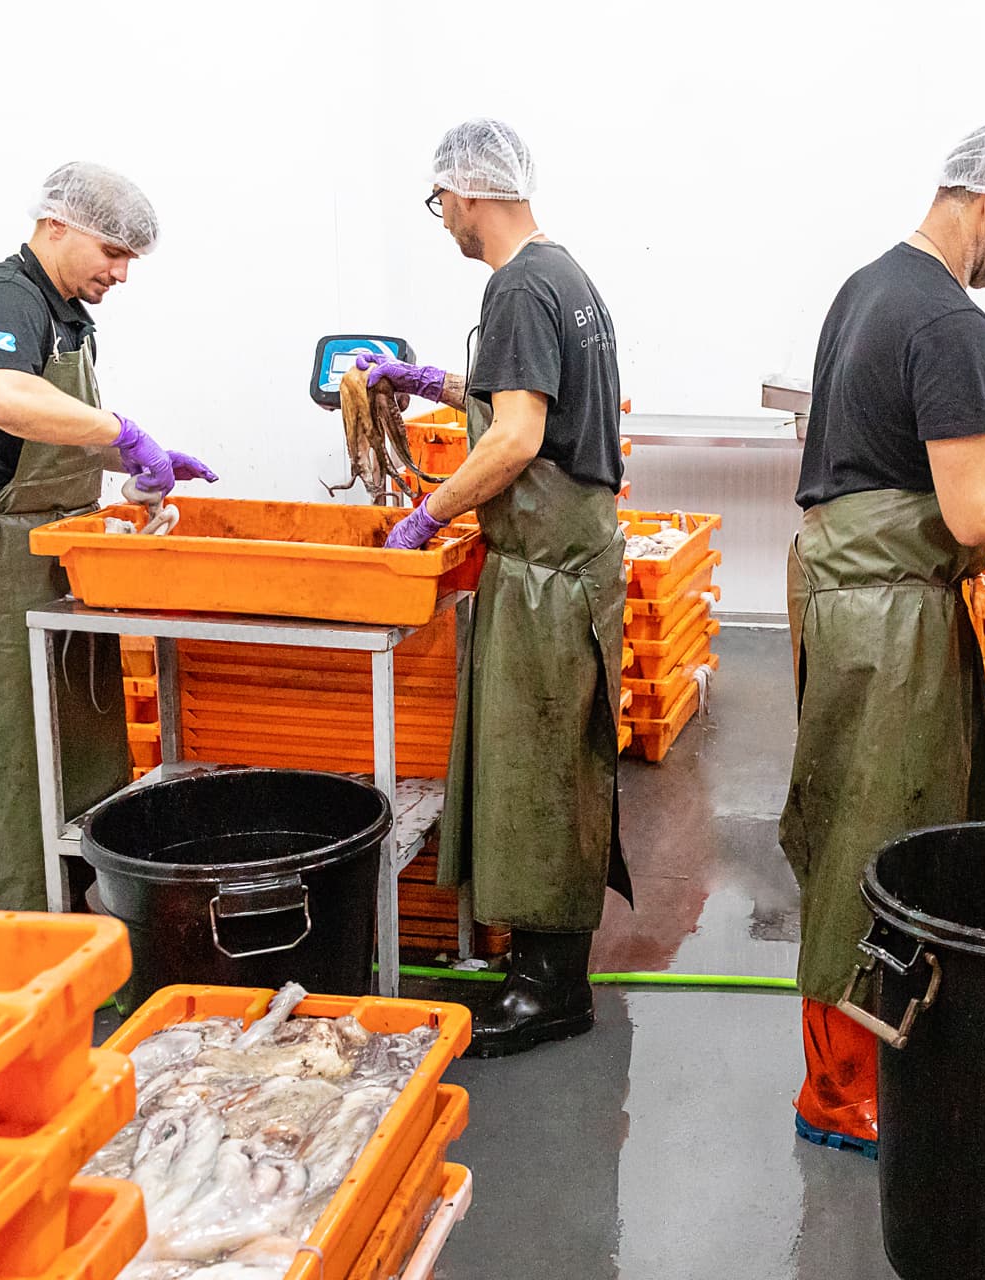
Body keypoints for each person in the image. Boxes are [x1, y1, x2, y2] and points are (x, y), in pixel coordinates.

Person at [781, 121, 985, 1155]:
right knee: (883, 830)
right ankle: (842, 1088)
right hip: (891, 614)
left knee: (845, 820)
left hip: (841, 592)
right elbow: (970, 512)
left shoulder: (866, 284)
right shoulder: (951, 321)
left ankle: (851, 1061)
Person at [375, 118, 629, 1057]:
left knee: (541, 775)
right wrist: (436, 381)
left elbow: (520, 437)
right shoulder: (565, 276)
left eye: (440, 200)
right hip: (574, 565)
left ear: (469, 192)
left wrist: (429, 513)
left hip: (546, 576)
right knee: (556, 765)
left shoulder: (518, 285)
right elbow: (528, 400)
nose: (441, 216)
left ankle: (550, 989)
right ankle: (541, 968)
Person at [0, 162, 216, 912]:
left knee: (82, 754)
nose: (121, 273)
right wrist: (120, 432)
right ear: (57, 225)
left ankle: (83, 926)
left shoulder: (66, 314)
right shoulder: (4, 297)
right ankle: (10, 937)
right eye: (112, 253)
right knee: (10, 760)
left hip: (60, 552)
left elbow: (52, 425)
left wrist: (126, 470)